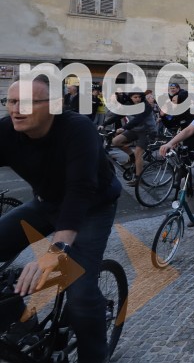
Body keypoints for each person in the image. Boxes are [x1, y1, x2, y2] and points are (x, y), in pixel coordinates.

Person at [0, 75, 121, 363]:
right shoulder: (7, 130)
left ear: (54, 105)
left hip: (92, 207)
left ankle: (94, 357)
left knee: (79, 292)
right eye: (12, 101)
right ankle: (24, 326)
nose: (17, 109)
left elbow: (80, 189)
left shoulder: (78, 130)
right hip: (46, 204)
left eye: (27, 102)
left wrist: (57, 249)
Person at [104, 90, 154, 186]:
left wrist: (124, 128)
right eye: (135, 97)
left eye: (139, 97)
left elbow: (137, 119)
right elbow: (118, 116)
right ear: (131, 98)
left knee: (138, 153)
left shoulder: (146, 106)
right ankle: (131, 157)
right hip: (134, 130)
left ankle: (137, 178)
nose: (138, 99)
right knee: (115, 141)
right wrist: (104, 124)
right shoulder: (128, 105)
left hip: (147, 131)